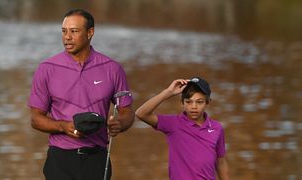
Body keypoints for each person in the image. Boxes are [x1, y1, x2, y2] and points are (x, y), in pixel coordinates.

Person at [28, 9, 134, 180]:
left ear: (90, 32)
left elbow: (127, 112)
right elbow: (35, 119)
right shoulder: (46, 69)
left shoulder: (112, 69)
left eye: (74, 31)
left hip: (97, 159)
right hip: (59, 160)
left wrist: (120, 124)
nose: (67, 37)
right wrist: (63, 126)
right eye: (64, 31)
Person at [136, 77, 230, 180]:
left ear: (207, 102)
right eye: (189, 102)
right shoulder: (173, 124)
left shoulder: (217, 128)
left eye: (199, 102)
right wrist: (168, 92)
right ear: (182, 102)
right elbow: (141, 114)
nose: (194, 106)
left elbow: (221, 162)